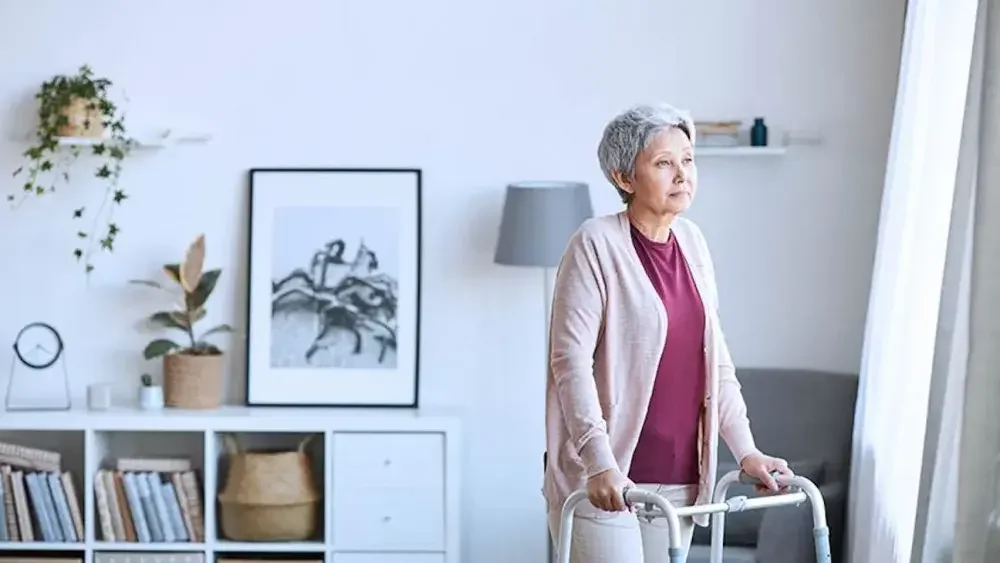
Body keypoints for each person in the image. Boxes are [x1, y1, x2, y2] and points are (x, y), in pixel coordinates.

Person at [543, 102, 794, 562]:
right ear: (624, 178)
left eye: (688, 160)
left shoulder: (693, 242)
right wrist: (599, 464)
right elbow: (571, 364)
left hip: (678, 484)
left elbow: (716, 363)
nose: (682, 174)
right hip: (607, 482)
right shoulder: (594, 244)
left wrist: (746, 451)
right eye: (663, 163)